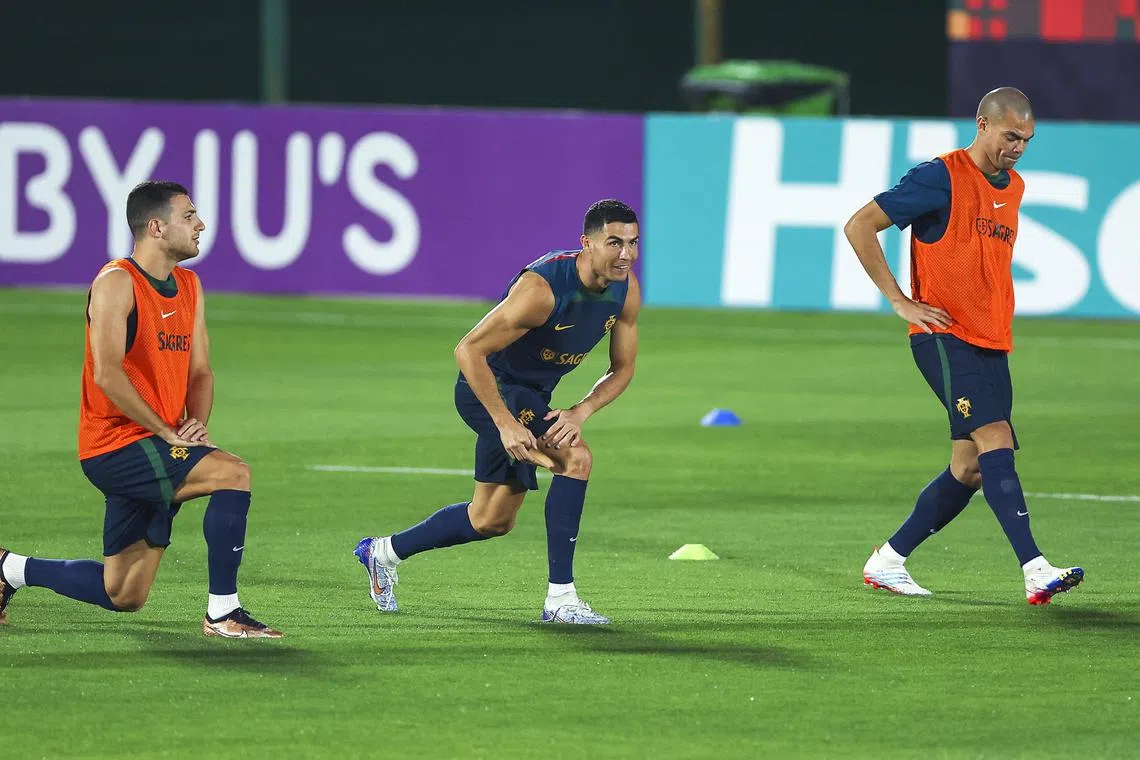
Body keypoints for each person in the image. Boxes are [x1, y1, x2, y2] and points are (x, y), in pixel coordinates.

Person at [0, 181, 282, 637]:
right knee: (233, 474)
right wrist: (168, 432)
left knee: (124, 593)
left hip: (158, 442)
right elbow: (107, 374)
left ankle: (9, 569)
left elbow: (202, 372)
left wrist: (194, 426)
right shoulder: (116, 283)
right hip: (114, 444)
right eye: (189, 215)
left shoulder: (189, 285)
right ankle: (222, 612)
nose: (200, 224)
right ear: (156, 227)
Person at [843, 87, 1083, 605]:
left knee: (970, 468)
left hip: (991, 341)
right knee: (995, 437)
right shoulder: (939, 177)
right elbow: (860, 224)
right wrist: (900, 299)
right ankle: (1035, 569)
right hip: (944, 337)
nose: (1018, 147)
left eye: (1027, 139)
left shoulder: (1012, 186)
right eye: (1010, 135)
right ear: (981, 123)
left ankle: (887, 561)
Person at [355, 199, 641, 624]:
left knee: (490, 519)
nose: (626, 254)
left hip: (531, 398)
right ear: (587, 243)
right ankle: (561, 600)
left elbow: (622, 368)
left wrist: (581, 410)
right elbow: (468, 350)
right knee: (575, 459)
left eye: (633, 243)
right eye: (614, 242)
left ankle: (383, 552)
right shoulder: (541, 291)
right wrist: (505, 423)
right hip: (489, 388)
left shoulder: (625, 289)